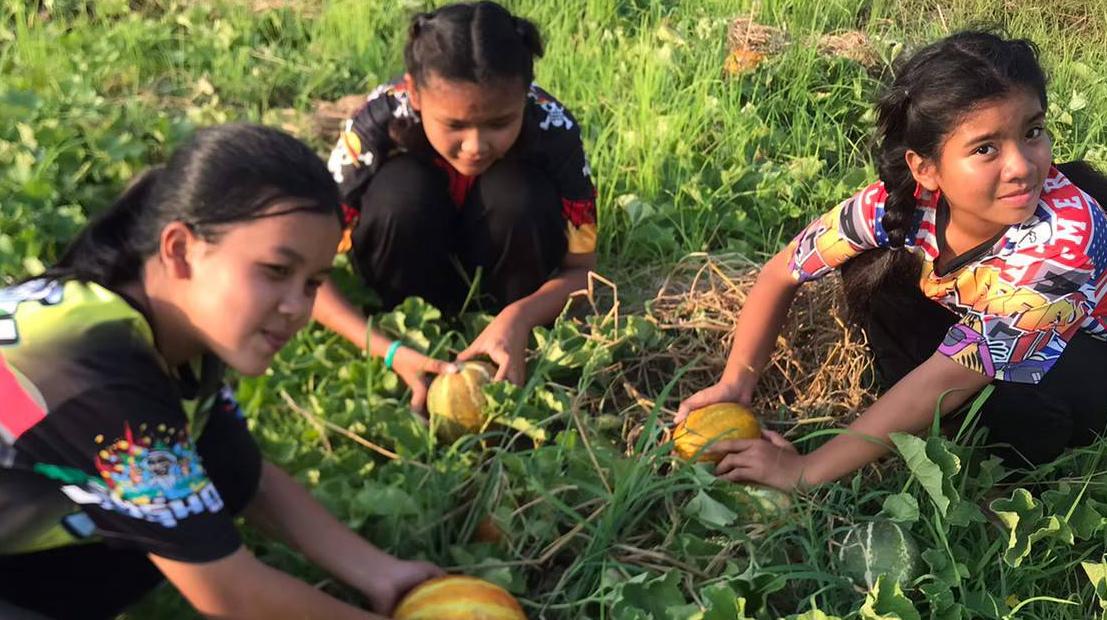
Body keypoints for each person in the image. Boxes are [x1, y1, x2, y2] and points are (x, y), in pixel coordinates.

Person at [0, 124, 442, 619]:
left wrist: (381, 573)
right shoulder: (91, 369)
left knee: (218, 465)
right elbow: (230, 595)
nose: (297, 306)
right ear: (181, 250)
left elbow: (244, 474)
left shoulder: (168, 325)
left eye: (313, 282)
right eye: (276, 271)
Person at [677, 31, 1107, 491]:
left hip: (1084, 359)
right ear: (925, 168)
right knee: (873, 275)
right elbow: (782, 272)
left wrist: (802, 471)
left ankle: (1008, 482)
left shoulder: (1066, 241)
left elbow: (950, 375)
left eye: (1032, 132)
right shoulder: (900, 204)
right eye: (985, 148)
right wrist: (735, 385)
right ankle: (912, 425)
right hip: (974, 343)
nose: (1022, 165)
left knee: (1020, 393)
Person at [315, 1, 598, 407]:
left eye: (500, 123)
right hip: (410, 268)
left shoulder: (553, 130)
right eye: (454, 125)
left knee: (518, 195)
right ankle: (411, 327)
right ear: (413, 93)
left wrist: (518, 318)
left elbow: (584, 274)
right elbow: (309, 273)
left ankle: (498, 326)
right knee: (401, 194)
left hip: (503, 279)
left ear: (525, 94)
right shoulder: (375, 123)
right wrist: (388, 349)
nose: (476, 146)